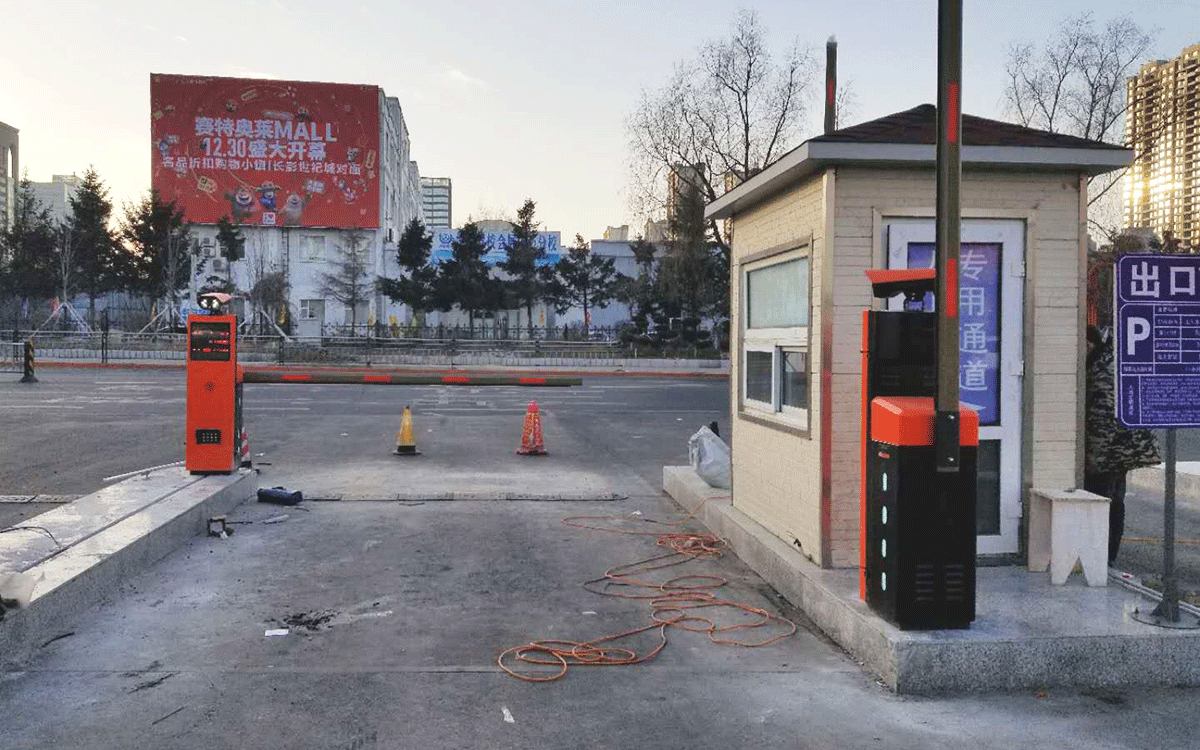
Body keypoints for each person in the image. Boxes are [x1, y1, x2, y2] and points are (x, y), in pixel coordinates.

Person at [1084, 325, 1160, 564]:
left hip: (1112, 449)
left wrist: (1093, 459)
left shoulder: (1101, 368)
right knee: (1114, 500)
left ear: (1089, 345)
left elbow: (1102, 419)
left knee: (1104, 500)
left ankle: (1102, 557)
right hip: (1124, 448)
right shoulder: (1108, 360)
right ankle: (1106, 557)